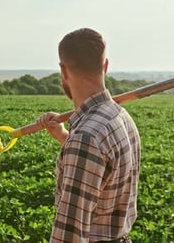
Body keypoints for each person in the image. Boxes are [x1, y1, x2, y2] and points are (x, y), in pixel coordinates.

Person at [38, 28, 141, 243]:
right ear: (105, 66)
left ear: (63, 71)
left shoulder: (86, 138)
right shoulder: (121, 116)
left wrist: (76, 141)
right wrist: (65, 137)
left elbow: (70, 235)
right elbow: (102, 169)